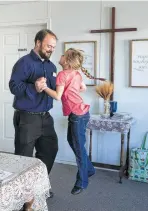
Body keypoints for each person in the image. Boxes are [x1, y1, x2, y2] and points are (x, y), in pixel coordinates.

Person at [9, 29, 58, 199]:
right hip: (27, 117)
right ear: (38, 43)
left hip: (46, 117)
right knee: (23, 158)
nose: (51, 49)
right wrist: (33, 87)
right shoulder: (24, 63)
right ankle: (22, 196)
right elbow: (13, 87)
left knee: (50, 150)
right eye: (48, 46)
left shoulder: (52, 66)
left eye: (53, 47)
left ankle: (38, 186)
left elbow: (55, 90)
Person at [39, 48, 95, 195]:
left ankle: (82, 181)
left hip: (77, 115)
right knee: (74, 142)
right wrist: (71, 91)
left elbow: (57, 96)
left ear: (68, 61)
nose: (61, 56)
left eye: (63, 55)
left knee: (78, 148)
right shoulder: (76, 74)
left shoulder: (62, 74)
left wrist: (44, 87)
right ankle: (89, 169)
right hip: (82, 113)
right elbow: (82, 88)